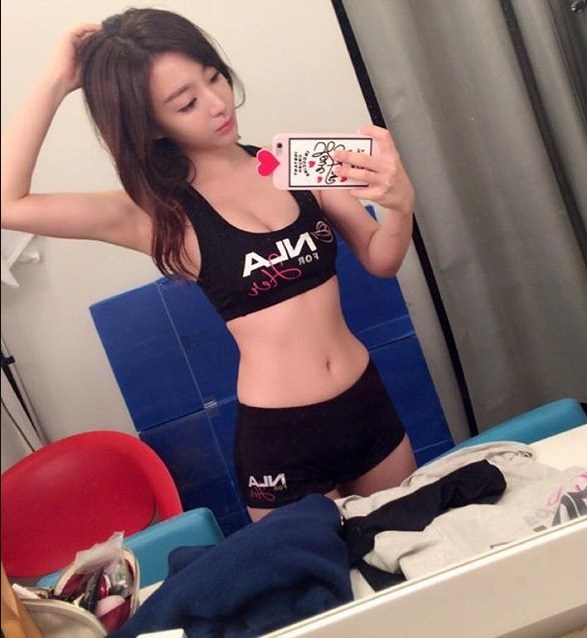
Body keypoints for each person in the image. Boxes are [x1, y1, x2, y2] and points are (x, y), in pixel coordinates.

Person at [1, 8, 417, 522]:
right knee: (326, 572)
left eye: (214, 76)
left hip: (366, 403)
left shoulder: (293, 160)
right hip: (283, 440)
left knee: (418, 547)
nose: (218, 103)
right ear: (152, 126)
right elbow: (8, 203)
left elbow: (380, 259)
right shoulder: (157, 215)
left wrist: (400, 203)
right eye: (187, 102)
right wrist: (57, 80)